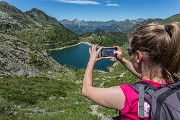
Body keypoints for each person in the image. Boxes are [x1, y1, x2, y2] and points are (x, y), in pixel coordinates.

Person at [82, 23, 180, 120]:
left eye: (130, 51)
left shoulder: (128, 95)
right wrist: (121, 59)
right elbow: (147, 76)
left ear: (138, 56)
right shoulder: (176, 81)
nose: (129, 54)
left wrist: (91, 61)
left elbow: (87, 90)